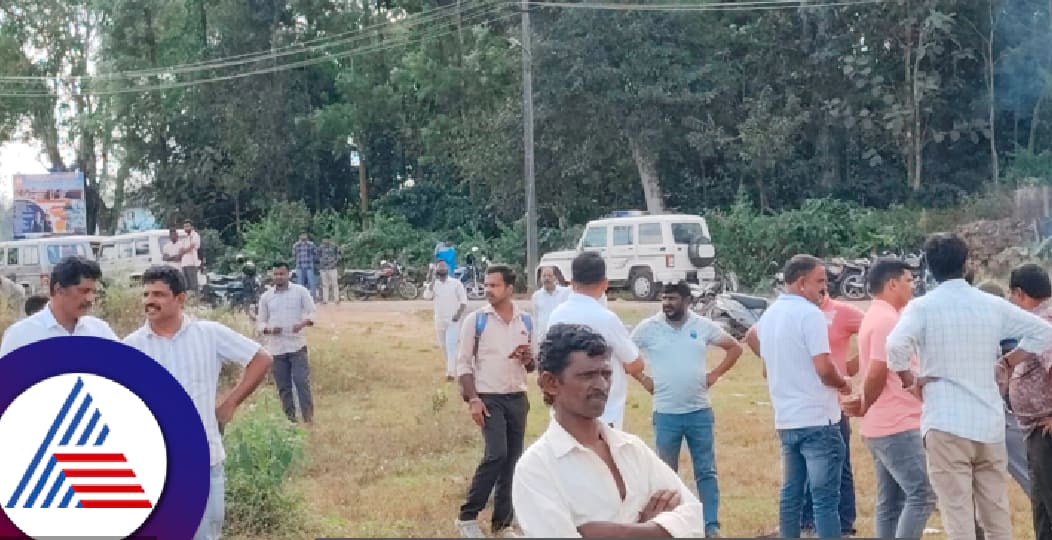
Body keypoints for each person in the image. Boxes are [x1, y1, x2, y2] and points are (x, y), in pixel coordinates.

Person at [887, 233, 1052, 540]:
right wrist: (1008, 361)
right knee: (996, 515)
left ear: (929, 268)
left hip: (945, 422)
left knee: (958, 514)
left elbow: (895, 346)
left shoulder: (922, 307)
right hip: (988, 423)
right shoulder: (990, 304)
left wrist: (910, 381)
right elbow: (1044, 333)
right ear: (966, 264)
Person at [512, 323, 705, 538]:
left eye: (606, 374)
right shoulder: (537, 468)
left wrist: (622, 532)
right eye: (587, 375)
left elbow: (694, 517)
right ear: (551, 383)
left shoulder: (631, 448)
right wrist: (660, 531)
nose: (601, 384)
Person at [123, 265, 273, 540]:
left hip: (203, 458)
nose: (149, 301)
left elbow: (261, 358)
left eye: (158, 294)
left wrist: (230, 403)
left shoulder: (208, 334)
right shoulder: (131, 347)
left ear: (180, 299)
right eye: (145, 294)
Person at [744, 254, 850, 539]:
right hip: (818, 418)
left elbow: (751, 336)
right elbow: (824, 367)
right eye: (820, 282)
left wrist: (773, 362)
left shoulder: (773, 312)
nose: (824, 289)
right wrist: (843, 384)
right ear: (802, 283)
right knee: (825, 500)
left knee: (791, 495)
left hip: (788, 420)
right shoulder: (810, 314)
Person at [630, 281, 742, 537]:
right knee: (665, 473)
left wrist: (714, 375)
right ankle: (670, 523)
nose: (667, 303)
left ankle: (710, 525)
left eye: (673, 299)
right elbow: (627, 354)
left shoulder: (700, 325)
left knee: (706, 470)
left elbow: (735, 348)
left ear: (687, 301)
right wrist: (645, 380)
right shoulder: (649, 328)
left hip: (699, 411)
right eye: (664, 299)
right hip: (666, 412)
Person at [841, 259, 935, 539]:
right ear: (892, 284)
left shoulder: (878, 315)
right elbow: (877, 371)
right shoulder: (887, 320)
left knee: (891, 501)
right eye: (909, 280)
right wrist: (864, 404)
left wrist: (864, 405)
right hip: (896, 423)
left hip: (884, 422)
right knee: (922, 494)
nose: (913, 286)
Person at [454, 264, 534, 538]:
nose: (488, 290)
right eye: (486, 285)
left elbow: (533, 365)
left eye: (494, 285)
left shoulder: (526, 321)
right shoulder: (476, 321)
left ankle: (502, 523)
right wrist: (473, 399)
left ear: (510, 289)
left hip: (517, 397)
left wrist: (527, 359)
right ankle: (467, 516)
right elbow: (463, 365)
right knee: (496, 454)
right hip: (489, 397)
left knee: (513, 460)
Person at [547, 251, 651, 430]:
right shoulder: (606, 318)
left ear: (571, 282)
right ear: (605, 284)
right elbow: (635, 364)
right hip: (603, 414)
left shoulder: (556, 316)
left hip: (564, 413)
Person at [799, 290, 864, 537]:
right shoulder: (797, 312)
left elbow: (878, 334)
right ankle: (806, 522)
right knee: (804, 465)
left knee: (840, 465)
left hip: (834, 402)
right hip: (805, 402)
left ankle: (845, 523)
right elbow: (754, 335)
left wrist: (848, 368)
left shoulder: (841, 312)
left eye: (822, 282)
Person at [1003, 264, 1052, 540]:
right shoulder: (1040, 320)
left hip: (1046, 431)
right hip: (1035, 430)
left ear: (1020, 293)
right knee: (1043, 509)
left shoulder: (1043, 324)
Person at [977, 280, 1033, 497]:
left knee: (1031, 477)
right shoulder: (1012, 326)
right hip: (1007, 415)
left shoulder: (1001, 332)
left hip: (1009, 416)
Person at [0, 256, 118, 355]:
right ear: (59, 289)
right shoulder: (21, 336)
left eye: (93, 291)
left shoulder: (100, 331)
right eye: (84, 291)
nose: (90, 298)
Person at [257, 262, 317, 423]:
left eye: (282, 274)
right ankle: (291, 420)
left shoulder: (300, 292)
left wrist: (302, 324)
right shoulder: (266, 297)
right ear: (272, 275)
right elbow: (260, 323)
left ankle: (308, 418)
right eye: (276, 274)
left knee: (301, 382)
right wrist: (269, 330)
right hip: (276, 348)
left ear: (288, 274)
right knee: (284, 387)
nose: (279, 277)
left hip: (297, 345)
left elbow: (312, 312)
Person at [429, 259, 468, 382]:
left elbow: (463, 302)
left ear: (447, 270)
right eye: (439, 268)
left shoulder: (456, 283)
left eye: (443, 267)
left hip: (453, 320)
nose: (442, 269)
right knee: (443, 345)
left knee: (451, 345)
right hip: (439, 320)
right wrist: (432, 280)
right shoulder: (434, 284)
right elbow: (427, 296)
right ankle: (451, 366)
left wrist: (458, 315)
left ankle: (450, 372)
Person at [530, 266, 570, 337]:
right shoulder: (536, 296)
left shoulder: (565, 293)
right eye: (544, 276)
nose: (547, 278)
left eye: (549, 276)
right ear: (540, 278)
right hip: (543, 337)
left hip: (561, 336)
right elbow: (535, 318)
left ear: (555, 277)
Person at [292, 232, 319, 300]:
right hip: (299, 266)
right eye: (302, 235)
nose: (303, 236)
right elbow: (294, 255)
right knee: (300, 284)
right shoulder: (296, 245)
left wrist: (312, 261)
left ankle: (313, 298)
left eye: (304, 235)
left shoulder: (311, 244)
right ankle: (300, 299)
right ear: (299, 236)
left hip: (309, 266)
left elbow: (316, 254)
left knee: (311, 283)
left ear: (307, 236)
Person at [179, 220, 202, 293]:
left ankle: (196, 300)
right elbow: (181, 249)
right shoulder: (185, 237)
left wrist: (184, 251)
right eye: (184, 227)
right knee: (186, 285)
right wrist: (183, 251)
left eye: (187, 226)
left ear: (192, 227)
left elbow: (192, 246)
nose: (186, 228)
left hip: (192, 263)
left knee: (193, 284)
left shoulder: (195, 235)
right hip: (184, 263)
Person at [317, 238, 340, 305]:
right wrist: (321, 262)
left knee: (335, 284)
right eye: (324, 240)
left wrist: (335, 262)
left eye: (326, 240)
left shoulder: (334, 246)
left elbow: (338, 255)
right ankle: (325, 300)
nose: (325, 241)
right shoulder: (320, 247)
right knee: (324, 285)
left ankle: (336, 299)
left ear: (329, 240)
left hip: (332, 268)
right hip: (323, 268)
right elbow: (317, 256)